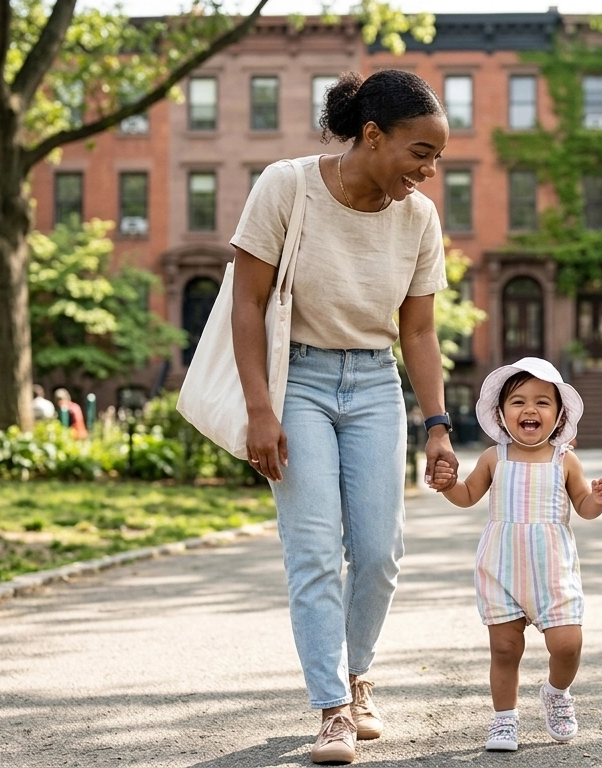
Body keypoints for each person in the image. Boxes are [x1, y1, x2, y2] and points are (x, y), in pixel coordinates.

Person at [229, 69, 458, 765]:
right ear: (371, 134)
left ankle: (357, 678)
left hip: (373, 384)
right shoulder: (287, 186)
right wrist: (260, 410)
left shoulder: (419, 218)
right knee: (314, 549)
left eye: (438, 159)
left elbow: (418, 333)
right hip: (295, 377)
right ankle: (331, 709)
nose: (429, 171)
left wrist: (438, 424)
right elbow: (245, 304)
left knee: (381, 554)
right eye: (420, 153)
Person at [430, 357, 602, 753]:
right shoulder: (495, 458)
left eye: (543, 402)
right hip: (503, 567)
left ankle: (556, 691)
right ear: (501, 413)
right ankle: (504, 719)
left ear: (559, 415)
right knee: (505, 649)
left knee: (568, 644)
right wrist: (448, 486)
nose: (530, 409)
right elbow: (467, 496)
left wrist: (595, 500)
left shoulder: (566, 460)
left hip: (553, 571)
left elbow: (582, 505)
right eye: (518, 402)